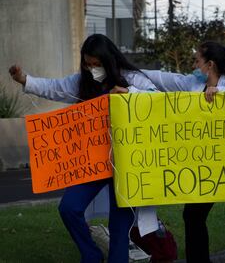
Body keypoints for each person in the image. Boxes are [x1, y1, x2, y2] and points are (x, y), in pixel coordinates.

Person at [9, 33, 159, 263]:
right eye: (88, 64)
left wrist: (130, 94)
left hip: (126, 161)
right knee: (69, 208)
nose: (92, 69)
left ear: (109, 61)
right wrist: (24, 80)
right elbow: (54, 88)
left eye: (97, 65)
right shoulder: (81, 81)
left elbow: (156, 100)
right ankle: (91, 255)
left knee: (119, 225)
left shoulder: (132, 78)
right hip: (93, 159)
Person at [139, 41, 225, 263]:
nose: (194, 65)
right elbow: (162, 78)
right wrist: (128, 72)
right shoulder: (193, 85)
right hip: (207, 167)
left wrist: (221, 92)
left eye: (197, 61)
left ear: (210, 64)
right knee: (193, 216)